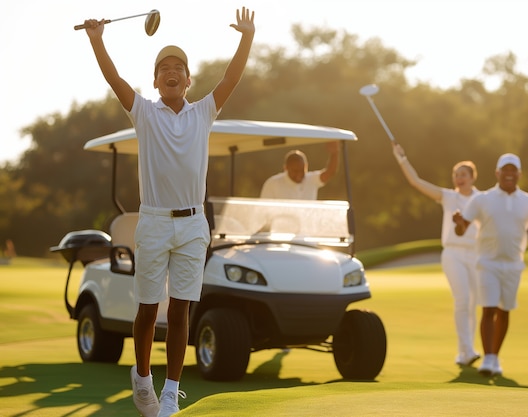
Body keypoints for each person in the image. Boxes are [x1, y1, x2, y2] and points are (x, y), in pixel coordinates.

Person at [83, 7, 254, 417]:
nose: (172, 71)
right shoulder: (143, 112)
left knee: (181, 310)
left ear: (189, 79)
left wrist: (246, 37)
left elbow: (231, 78)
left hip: (194, 224)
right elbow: (114, 79)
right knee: (147, 310)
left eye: (179, 67)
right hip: (155, 222)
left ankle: (170, 394)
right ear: (157, 81)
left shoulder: (204, 111)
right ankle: (142, 378)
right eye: (164, 68)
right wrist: (97, 40)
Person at [453, 153, 528, 377]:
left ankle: (495, 356)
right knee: (489, 309)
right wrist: (458, 223)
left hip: (514, 265)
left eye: (512, 170)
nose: (508, 174)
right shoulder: (482, 199)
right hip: (487, 262)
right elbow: (461, 229)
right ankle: (487, 358)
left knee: (504, 311)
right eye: (504, 170)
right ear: (497, 173)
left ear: (519, 174)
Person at [391, 143, 481, 366]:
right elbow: (416, 181)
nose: (459, 178)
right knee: (462, 300)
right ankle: (467, 351)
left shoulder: (482, 199)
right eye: (456, 175)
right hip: (453, 254)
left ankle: (464, 353)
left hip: (476, 255)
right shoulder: (448, 197)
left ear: (472, 177)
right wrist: (402, 158)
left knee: (473, 304)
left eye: (463, 174)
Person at [260, 141, 340, 199]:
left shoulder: (312, 180)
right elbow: (264, 211)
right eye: (295, 171)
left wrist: (334, 153)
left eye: (302, 170)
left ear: (306, 166)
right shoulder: (272, 184)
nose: (299, 175)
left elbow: (330, 172)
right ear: (286, 168)